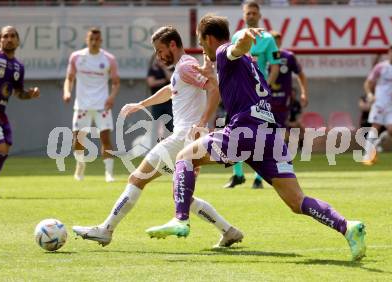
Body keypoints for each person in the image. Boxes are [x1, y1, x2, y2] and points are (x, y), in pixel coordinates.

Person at [145, 14, 367, 261]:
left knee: (185, 156)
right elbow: (236, 69)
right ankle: (348, 227)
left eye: (201, 41)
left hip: (246, 130)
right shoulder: (248, 63)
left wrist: (244, 37)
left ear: (208, 38)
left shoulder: (224, 51)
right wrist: (213, 72)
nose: (201, 47)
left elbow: (235, 47)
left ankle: (181, 219)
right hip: (269, 135)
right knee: (297, 201)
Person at [72, 26, 243, 248]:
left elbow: (214, 88)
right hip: (189, 139)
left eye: (160, 49)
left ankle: (106, 230)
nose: (158, 55)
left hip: (183, 137)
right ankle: (229, 231)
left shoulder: (186, 66)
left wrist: (202, 123)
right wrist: (141, 105)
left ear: (172, 45)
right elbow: (171, 91)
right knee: (183, 196)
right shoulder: (183, 68)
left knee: (136, 179)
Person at [225, 0, 281, 189]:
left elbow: (275, 64)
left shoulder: (268, 38)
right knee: (234, 131)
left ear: (259, 15)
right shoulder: (237, 37)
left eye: (253, 13)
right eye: (247, 13)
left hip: (258, 94)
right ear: (243, 15)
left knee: (260, 134)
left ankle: (259, 177)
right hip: (239, 92)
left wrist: (268, 86)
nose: (250, 16)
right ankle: (238, 174)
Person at [63, 28, 120, 182]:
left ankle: (109, 173)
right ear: (87, 40)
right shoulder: (76, 57)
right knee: (78, 140)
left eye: (97, 39)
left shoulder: (109, 59)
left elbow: (115, 82)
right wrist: (67, 92)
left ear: (101, 41)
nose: (94, 42)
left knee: (106, 139)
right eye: (91, 39)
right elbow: (69, 78)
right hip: (82, 105)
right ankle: (80, 165)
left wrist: (112, 97)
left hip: (102, 105)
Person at [0, 26, 40, 185]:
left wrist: (29, 94)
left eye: (13, 36)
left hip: (1, 113)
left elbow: (18, 93)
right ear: (0, 40)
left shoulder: (19, 66)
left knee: (4, 151)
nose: (9, 39)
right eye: (5, 36)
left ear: (18, 41)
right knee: (0, 149)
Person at [363, 45, 392, 165]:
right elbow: (368, 83)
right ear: (389, 53)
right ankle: (367, 156)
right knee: (375, 127)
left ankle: (375, 147)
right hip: (379, 102)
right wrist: (369, 95)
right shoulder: (380, 67)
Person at [147, 54, 174, 136]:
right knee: (156, 125)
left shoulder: (170, 68)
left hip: (169, 102)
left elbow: (171, 79)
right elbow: (151, 83)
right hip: (157, 103)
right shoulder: (153, 70)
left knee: (171, 126)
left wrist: (164, 68)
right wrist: (164, 80)